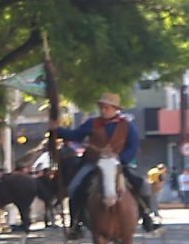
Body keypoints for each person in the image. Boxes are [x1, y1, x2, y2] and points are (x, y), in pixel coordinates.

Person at [65, 93, 159, 235]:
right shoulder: (92, 123)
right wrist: (57, 130)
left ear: (116, 109)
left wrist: (121, 158)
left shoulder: (127, 126)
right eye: (101, 107)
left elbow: (133, 146)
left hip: (118, 164)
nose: (103, 110)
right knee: (74, 187)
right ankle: (75, 224)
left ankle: (148, 217)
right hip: (94, 163)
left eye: (107, 107)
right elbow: (75, 135)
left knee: (143, 186)